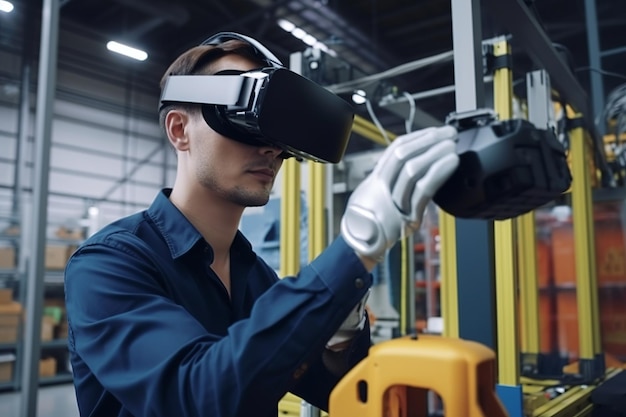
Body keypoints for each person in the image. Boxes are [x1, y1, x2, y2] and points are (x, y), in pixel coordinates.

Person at [64, 32, 459, 417]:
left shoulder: (255, 276)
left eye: (275, 130)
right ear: (179, 130)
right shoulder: (108, 265)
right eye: (242, 117)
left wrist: (343, 319)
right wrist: (356, 246)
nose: (269, 147)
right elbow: (195, 396)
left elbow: (336, 390)